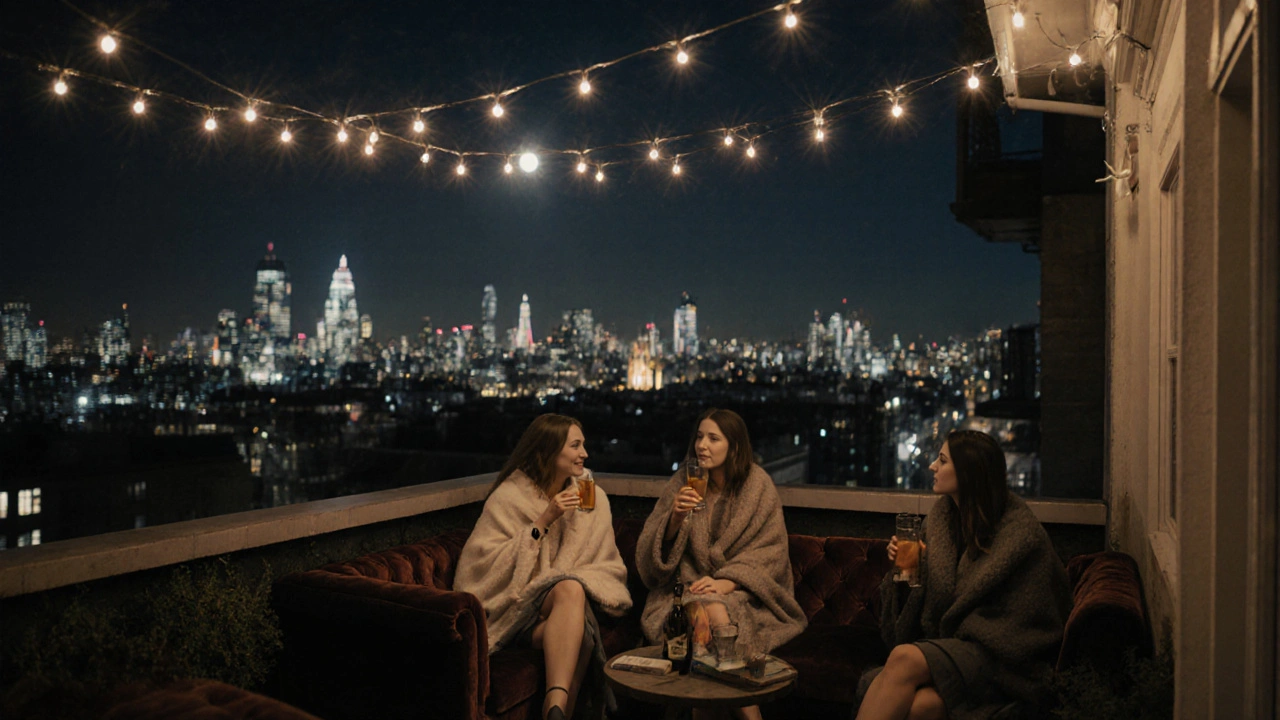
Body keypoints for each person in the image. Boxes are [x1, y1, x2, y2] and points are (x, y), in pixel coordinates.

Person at [855, 430, 1072, 720]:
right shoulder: (940, 521)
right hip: (957, 652)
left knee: (904, 658)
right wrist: (909, 568)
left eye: (942, 461)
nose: (932, 466)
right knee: (922, 707)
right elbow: (928, 601)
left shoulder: (1021, 535)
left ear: (969, 472)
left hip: (1005, 661)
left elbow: (1031, 623)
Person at [454, 414, 631, 720]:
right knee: (577, 616)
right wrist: (545, 519)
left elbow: (606, 563)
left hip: (565, 607)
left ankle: (556, 708)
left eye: (584, 445)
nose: (585, 454)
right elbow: (483, 568)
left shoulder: (592, 498)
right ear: (549, 451)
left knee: (572, 593)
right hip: (519, 609)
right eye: (575, 446)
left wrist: (573, 579)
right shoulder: (509, 498)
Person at [636, 408, 807, 720]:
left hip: (747, 596)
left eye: (713, 438)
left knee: (710, 613)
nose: (702, 445)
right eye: (700, 437)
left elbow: (770, 554)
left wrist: (728, 581)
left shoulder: (757, 486)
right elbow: (650, 560)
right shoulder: (683, 481)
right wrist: (674, 518)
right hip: (684, 591)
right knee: (702, 614)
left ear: (735, 447)